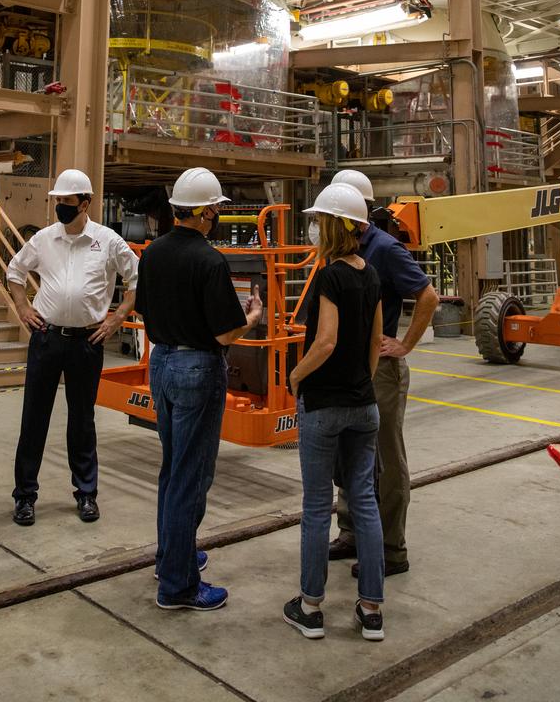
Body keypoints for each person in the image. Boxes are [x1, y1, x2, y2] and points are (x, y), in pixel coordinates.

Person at [136, 167, 262, 612]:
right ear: (206, 212)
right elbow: (226, 333)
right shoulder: (209, 260)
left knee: (173, 468)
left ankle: (172, 556)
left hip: (162, 363)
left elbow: (144, 309)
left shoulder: (153, 253)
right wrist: (252, 317)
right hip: (197, 369)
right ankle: (179, 585)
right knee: (191, 475)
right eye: (215, 209)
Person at [7, 169, 139, 526]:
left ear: (85, 203)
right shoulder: (44, 239)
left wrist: (116, 319)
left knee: (82, 420)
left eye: (67, 201)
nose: (60, 207)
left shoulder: (108, 241)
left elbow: (136, 278)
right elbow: (14, 272)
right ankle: (25, 497)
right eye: (58, 201)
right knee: (34, 418)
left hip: (87, 342)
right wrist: (22, 307)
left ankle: (86, 493)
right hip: (46, 337)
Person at [283, 182, 384, 642]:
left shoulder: (329, 277)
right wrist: (360, 384)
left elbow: (325, 342)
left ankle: (310, 607)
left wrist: (296, 375)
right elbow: (375, 343)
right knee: (364, 501)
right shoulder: (371, 275)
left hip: (323, 406)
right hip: (363, 406)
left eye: (318, 221)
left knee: (316, 506)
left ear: (332, 227)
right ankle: (371, 610)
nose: (314, 228)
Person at [328, 168, 439, 578]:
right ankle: (351, 533)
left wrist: (405, 344)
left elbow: (428, 295)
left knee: (386, 459)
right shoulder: (340, 248)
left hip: (381, 370)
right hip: (347, 366)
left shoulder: (386, 248)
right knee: (349, 451)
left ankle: (392, 549)